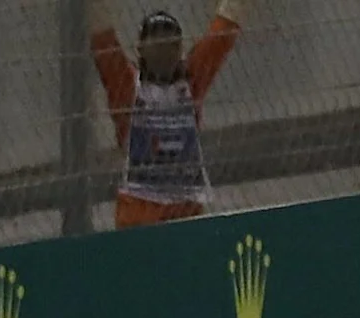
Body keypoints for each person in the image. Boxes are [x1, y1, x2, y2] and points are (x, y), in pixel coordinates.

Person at [87, 1, 243, 229]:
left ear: (180, 49)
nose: (162, 48)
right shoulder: (128, 87)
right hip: (138, 218)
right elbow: (102, 38)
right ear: (140, 49)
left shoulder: (191, 82)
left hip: (185, 215)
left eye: (170, 42)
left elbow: (222, 34)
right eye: (155, 41)